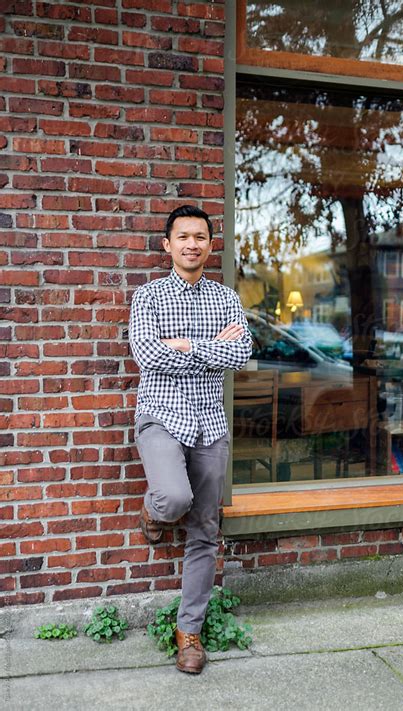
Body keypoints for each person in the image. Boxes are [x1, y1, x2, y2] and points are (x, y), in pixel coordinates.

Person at [128, 205, 253, 674]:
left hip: (210, 425)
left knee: (205, 532)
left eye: (200, 236)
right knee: (174, 497)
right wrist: (210, 349)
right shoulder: (149, 297)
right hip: (161, 416)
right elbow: (147, 356)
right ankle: (155, 507)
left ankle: (190, 633)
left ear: (210, 243)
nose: (192, 244)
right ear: (168, 244)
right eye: (183, 236)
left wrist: (186, 346)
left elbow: (240, 351)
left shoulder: (225, 297)